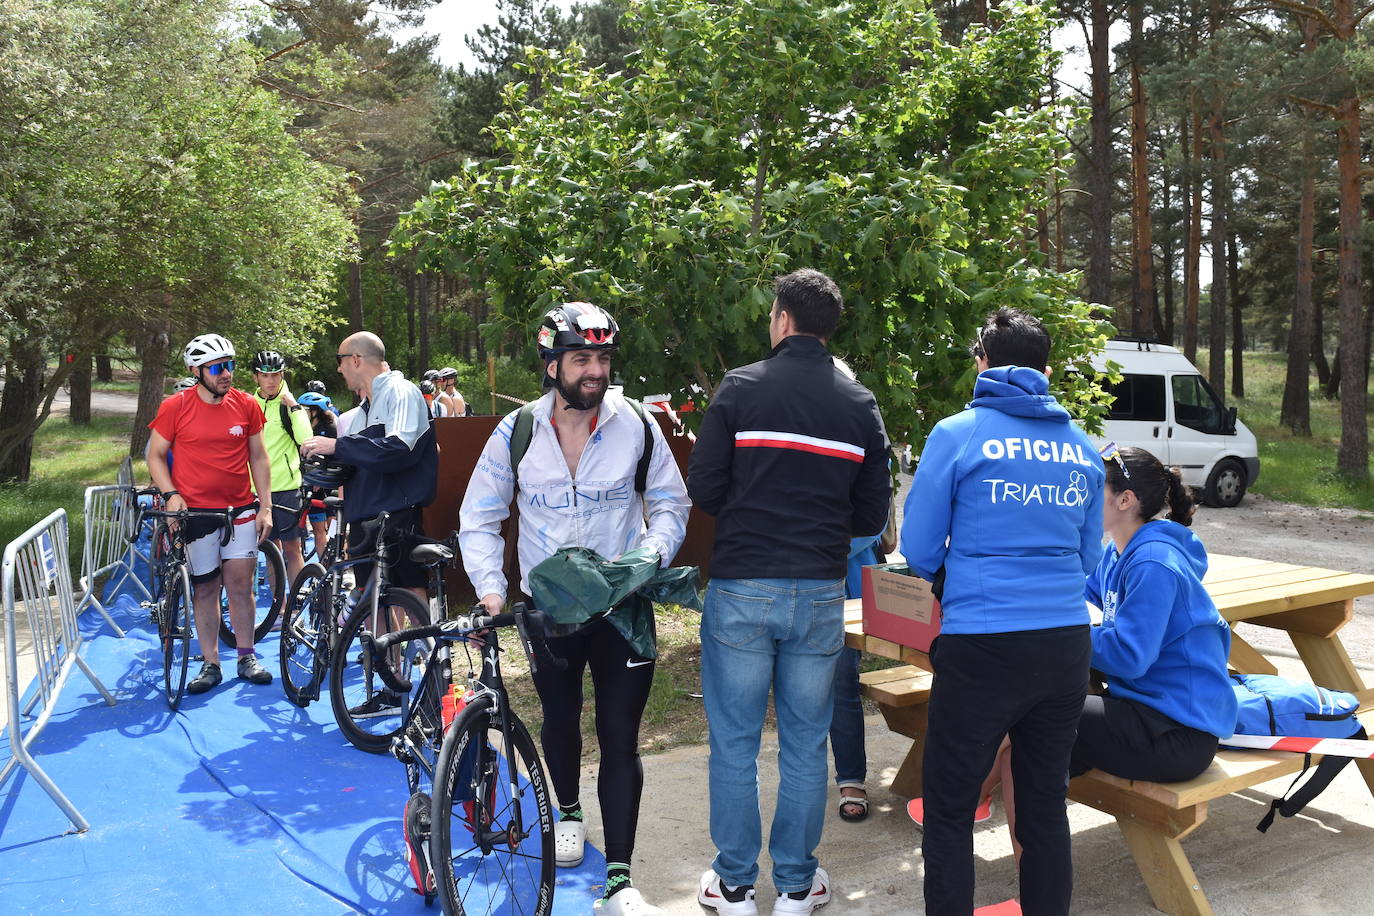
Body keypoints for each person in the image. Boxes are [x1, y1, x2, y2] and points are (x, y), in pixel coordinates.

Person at [459, 302, 690, 916]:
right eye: (582, 358)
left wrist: (651, 555)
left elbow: (670, 503)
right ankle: (565, 811)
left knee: (620, 738)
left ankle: (619, 880)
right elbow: (479, 516)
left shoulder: (637, 425)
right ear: (551, 363)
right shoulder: (516, 433)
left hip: (622, 607)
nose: (595, 371)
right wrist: (490, 588)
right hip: (548, 611)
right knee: (560, 718)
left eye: (604, 358)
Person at [688, 268, 891, 916]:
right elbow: (872, 518)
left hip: (743, 587)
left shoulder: (740, 389)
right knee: (806, 744)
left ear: (780, 319)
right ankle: (798, 888)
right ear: (828, 328)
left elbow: (706, 489)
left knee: (737, 745)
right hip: (819, 594)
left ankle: (736, 888)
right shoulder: (858, 406)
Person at [899, 307, 1104, 916]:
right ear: (1045, 370)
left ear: (982, 362)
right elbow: (1088, 558)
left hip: (983, 643)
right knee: (1043, 805)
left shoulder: (957, 433)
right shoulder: (1082, 449)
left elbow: (918, 547)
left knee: (951, 807)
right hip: (1064, 643)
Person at [1076, 445, 1238, 780]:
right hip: (1142, 710)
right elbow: (1078, 596)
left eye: (1093, 488)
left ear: (1125, 500)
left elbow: (1131, 657)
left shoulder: (1153, 562)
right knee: (1035, 746)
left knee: (1032, 714)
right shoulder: (1117, 554)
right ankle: (978, 811)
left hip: (1178, 734)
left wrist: (1062, 634)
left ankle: (956, 812)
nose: (1081, 496)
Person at [299, 332, 438, 714]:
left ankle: (433, 690)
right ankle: (389, 691)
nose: (339, 369)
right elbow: (361, 460)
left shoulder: (401, 391)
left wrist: (336, 446)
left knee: (410, 598)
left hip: (397, 513)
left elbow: (400, 448)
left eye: (340, 360)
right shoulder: (360, 410)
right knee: (373, 606)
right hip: (364, 517)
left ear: (356, 359)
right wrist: (327, 465)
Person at [146, 333, 275, 693]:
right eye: (218, 367)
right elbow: (155, 455)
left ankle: (247, 655)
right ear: (195, 370)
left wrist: (265, 506)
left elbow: (259, 457)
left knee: (241, 585)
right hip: (196, 515)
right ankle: (210, 662)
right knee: (205, 589)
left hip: (240, 512)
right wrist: (171, 495)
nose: (227, 373)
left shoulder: (247, 404)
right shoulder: (176, 406)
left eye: (230, 365)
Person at [250, 350, 312, 584]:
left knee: (292, 549)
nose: (271, 380)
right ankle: (280, 607)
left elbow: (306, 440)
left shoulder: (289, 404)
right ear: (256, 377)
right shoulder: (248, 404)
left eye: (276, 375)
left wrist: (295, 408)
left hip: (287, 488)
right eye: (266, 376)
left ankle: (296, 606)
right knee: (270, 552)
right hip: (256, 490)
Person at [298, 390, 338, 554]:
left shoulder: (329, 428)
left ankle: (338, 563)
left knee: (333, 530)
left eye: (304, 411)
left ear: (314, 411)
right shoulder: (304, 428)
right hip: (312, 483)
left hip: (327, 485)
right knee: (318, 531)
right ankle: (323, 571)